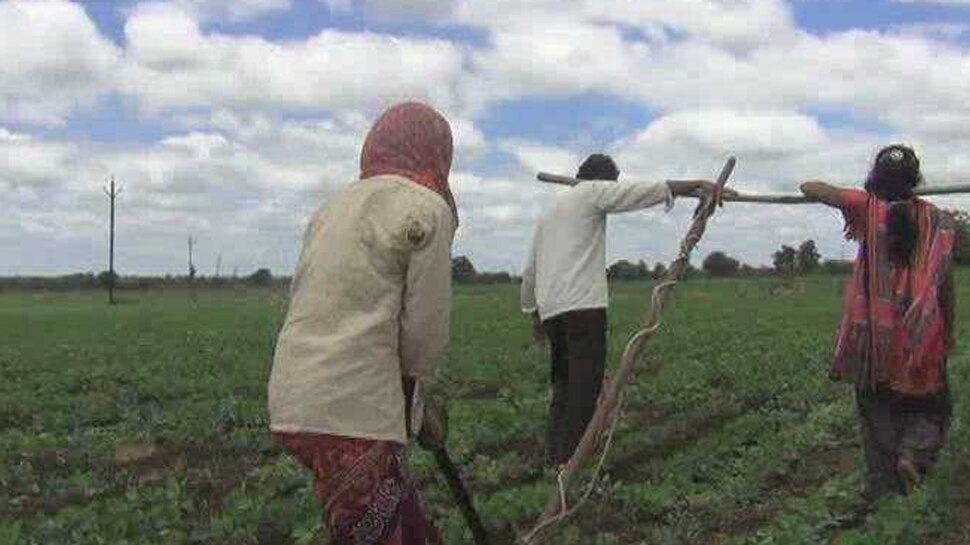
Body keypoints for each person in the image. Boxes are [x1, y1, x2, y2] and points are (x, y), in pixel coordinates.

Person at [268, 102, 457, 545]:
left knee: (400, 518)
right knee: (372, 531)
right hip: (353, 414)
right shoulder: (426, 208)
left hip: (294, 402)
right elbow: (423, 335)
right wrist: (418, 408)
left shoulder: (330, 210)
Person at [520, 153, 721, 465]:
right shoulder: (591, 192)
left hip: (553, 311)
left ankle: (554, 453)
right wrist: (693, 184)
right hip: (583, 306)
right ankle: (569, 462)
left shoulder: (551, 213)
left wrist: (533, 312)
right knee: (583, 387)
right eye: (611, 184)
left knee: (563, 383)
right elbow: (638, 192)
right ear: (603, 181)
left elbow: (532, 268)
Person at [800, 144, 957, 499]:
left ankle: (883, 489)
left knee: (876, 412)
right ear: (915, 179)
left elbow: (809, 187)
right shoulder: (937, 220)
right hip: (921, 333)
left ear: (875, 175)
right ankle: (915, 454)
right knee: (932, 407)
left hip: (872, 337)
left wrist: (867, 194)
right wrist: (949, 329)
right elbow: (945, 284)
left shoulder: (866, 208)